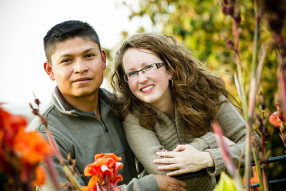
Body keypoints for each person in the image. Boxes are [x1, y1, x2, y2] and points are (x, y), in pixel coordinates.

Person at [27, 21, 186, 191]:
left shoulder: (125, 107)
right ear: (50, 70)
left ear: (103, 59)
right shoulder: (43, 135)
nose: (80, 68)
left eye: (88, 56)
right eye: (67, 60)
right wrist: (149, 185)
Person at [110, 33, 258, 190]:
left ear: (170, 70)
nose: (141, 78)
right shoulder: (131, 115)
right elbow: (164, 169)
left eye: (148, 67)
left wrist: (207, 158)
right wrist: (214, 140)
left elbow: (253, 144)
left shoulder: (206, 93)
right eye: (132, 73)